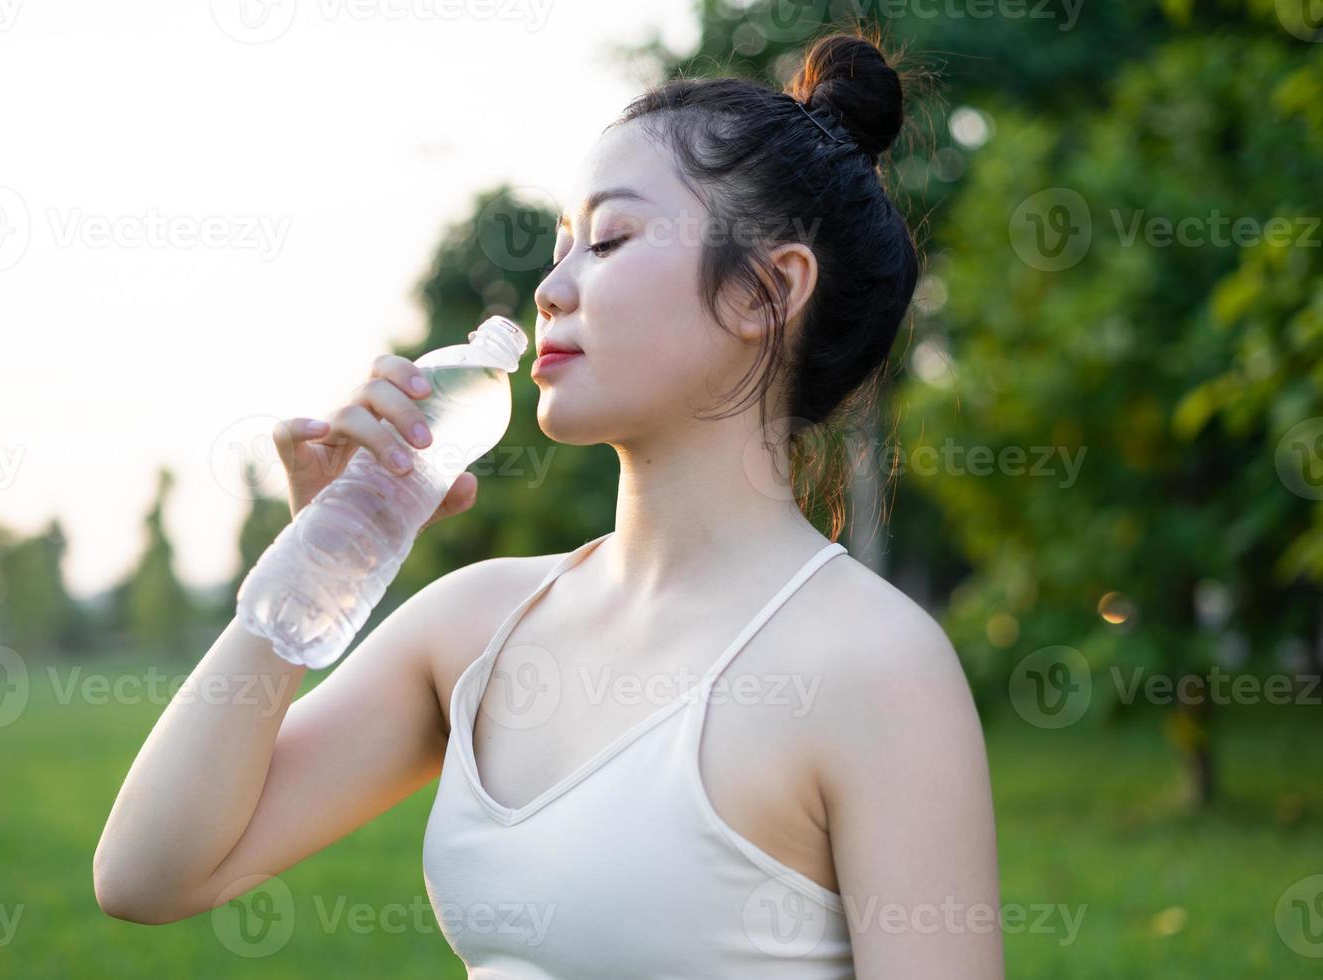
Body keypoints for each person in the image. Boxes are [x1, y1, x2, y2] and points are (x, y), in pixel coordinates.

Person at [94, 28, 1003, 979]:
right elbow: (148, 875)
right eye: (560, 247)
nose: (549, 290)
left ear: (765, 292)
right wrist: (315, 563)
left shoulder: (874, 667)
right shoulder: (478, 627)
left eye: (607, 241)